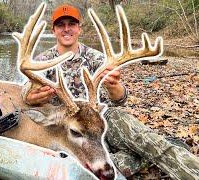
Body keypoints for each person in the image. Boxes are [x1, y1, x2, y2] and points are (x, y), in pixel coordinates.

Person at [21, 4, 199, 179]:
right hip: (66, 126)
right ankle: (136, 158)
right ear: (54, 30)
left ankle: (190, 169)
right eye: (61, 25)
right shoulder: (41, 61)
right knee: (84, 165)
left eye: (71, 24)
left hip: (101, 118)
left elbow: (120, 99)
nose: (66, 29)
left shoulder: (96, 58)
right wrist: (28, 96)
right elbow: (25, 91)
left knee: (146, 139)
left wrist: (115, 87)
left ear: (79, 29)